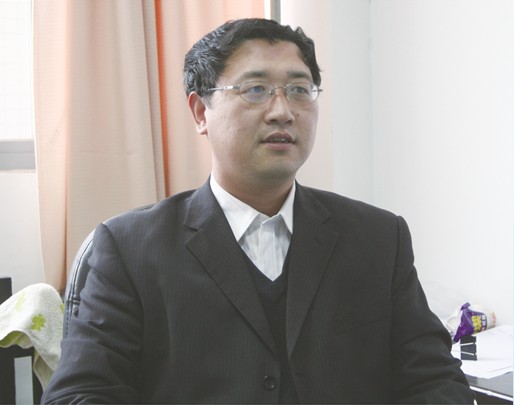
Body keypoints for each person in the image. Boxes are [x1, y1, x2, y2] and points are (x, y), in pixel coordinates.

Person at [42, 18, 475, 404]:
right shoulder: (129, 248)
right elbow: (80, 394)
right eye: (255, 90)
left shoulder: (379, 237)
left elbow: (434, 380)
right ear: (201, 112)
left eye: (299, 90)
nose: (282, 111)